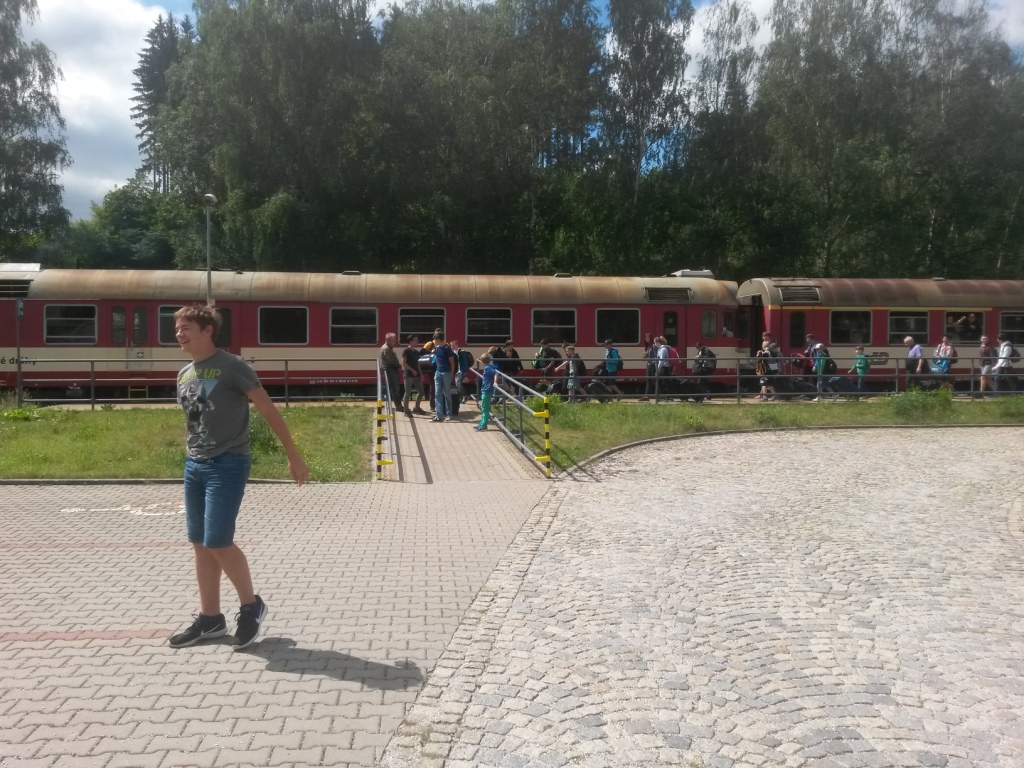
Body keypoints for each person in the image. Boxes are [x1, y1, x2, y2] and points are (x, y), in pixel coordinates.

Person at [169, 305, 309, 651]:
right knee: (200, 543)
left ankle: (251, 606)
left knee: (218, 541)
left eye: (186, 327)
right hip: (195, 465)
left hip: (228, 463)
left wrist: (293, 454)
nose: (179, 334)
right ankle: (210, 619)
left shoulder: (233, 366)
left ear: (208, 331)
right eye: (177, 328)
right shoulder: (185, 373)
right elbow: (196, 421)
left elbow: (267, 408)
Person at [432, 331, 457, 421]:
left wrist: (451, 374)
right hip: (438, 372)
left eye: (435, 339)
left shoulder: (447, 348)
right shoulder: (437, 348)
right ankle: (439, 415)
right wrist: (437, 369)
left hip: (446, 373)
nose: (434, 341)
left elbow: (452, 363)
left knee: (447, 394)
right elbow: (437, 359)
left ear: (438, 339)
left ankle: (449, 414)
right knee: (437, 394)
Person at [402, 336, 426, 414]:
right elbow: (404, 363)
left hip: (417, 375)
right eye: (415, 340)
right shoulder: (406, 351)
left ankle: (417, 407)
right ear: (410, 341)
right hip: (408, 375)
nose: (417, 341)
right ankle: (406, 410)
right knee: (408, 393)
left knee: (421, 391)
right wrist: (412, 370)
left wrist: (421, 374)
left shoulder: (416, 352)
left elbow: (418, 364)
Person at [379, 332, 403, 411]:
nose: (395, 341)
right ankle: (398, 406)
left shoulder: (388, 348)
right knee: (395, 388)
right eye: (393, 340)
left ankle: (398, 405)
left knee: (394, 387)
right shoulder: (386, 349)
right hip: (390, 369)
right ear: (389, 340)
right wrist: (398, 365)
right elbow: (390, 361)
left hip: (391, 369)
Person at [475, 353, 497, 430]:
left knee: (484, 408)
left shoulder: (487, 368)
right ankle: (482, 423)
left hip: (487, 390)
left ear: (482, 361)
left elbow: (495, 374)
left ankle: (484, 424)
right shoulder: (490, 366)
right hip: (486, 389)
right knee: (485, 407)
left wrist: (495, 382)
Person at [655, 336, 673, 402]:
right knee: (662, 382)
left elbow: (661, 360)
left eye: (655, 343)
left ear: (658, 342)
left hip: (664, 368)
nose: (655, 344)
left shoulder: (663, 349)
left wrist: (658, 369)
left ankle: (666, 397)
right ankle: (664, 396)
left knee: (664, 382)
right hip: (663, 367)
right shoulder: (660, 349)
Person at [642, 333, 658, 400]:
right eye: (646, 337)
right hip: (649, 364)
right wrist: (645, 355)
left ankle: (659, 395)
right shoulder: (648, 347)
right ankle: (646, 395)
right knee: (648, 380)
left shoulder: (653, 346)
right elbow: (645, 357)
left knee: (655, 379)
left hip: (653, 364)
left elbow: (656, 355)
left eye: (648, 337)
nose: (646, 339)